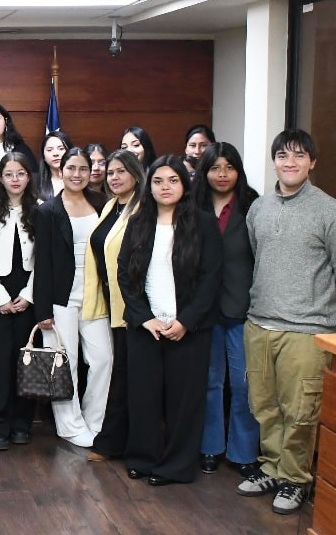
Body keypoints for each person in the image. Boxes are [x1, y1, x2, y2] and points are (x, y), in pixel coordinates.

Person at [238, 129, 336, 514]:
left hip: (308, 329)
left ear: (312, 162)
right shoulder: (259, 209)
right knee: (264, 406)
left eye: (298, 155)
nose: (289, 162)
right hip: (259, 323)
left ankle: (295, 479)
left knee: (300, 411)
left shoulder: (328, 210)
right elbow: (255, 258)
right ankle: (272, 468)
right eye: (282, 155)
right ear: (274, 161)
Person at [117, 156, 222, 486]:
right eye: (158, 181)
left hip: (188, 329)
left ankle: (176, 466)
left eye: (173, 180)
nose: (165, 187)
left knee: (184, 401)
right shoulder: (138, 221)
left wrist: (186, 321)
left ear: (185, 184)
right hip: (146, 327)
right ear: (149, 186)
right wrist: (144, 317)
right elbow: (124, 274)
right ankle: (142, 459)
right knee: (143, 397)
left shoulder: (203, 223)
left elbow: (211, 277)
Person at [33, 146, 111, 448]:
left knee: (103, 359)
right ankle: (69, 426)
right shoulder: (48, 211)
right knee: (64, 364)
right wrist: (42, 310)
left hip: (95, 295)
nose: (77, 174)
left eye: (83, 168)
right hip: (60, 297)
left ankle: (94, 421)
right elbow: (42, 263)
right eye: (71, 168)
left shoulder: (102, 203)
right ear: (61, 170)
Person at [192, 142, 259, 477]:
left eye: (229, 167)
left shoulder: (252, 204)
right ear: (205, 171)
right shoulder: (192, 205)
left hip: (241, 308)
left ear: (238, 171)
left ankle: (243, 452)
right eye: (215, 168)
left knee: (244, 385)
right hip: (203, 311)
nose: (222, 174)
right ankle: (210, 447)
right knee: (210, 382)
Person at [82, 150, 145, 462]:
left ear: (136, 173)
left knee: (127, 373)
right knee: (119, 370)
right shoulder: (111, 206)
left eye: (121, 171)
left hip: (133, 305)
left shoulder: (142, 208)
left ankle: (116, 444)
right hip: (109, 301)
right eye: (110, 173)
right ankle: (116, 441)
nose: (115, 177)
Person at [0, 152, 39, 450]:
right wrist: (0, 298)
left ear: (29, 177)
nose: (15, 179)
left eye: (21, 173)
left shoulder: (40, 209)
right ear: (0, 178)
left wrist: (28, 295)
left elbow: (44, 259)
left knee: (24, 360)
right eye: (9, 174)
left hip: (28, 292)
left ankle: (21, 424)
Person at [35, 130, 72, 201]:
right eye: (49, 150)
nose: (55, 154)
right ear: (44, 156)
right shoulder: (35, 184)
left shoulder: (79, 180)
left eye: (61, 149)